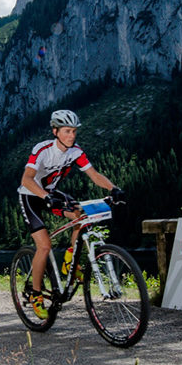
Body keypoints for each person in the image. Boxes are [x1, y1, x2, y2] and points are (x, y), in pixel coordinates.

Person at [17, 109, 125, 319]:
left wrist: (113, 189)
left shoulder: (75, 151)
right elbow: (27, 179)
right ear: (55, 131)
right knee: (45, 246)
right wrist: (44, 196)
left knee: (79, 216)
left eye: (74, 131)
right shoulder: (43, 149)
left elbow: (94, 176)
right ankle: (36, 295)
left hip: (51, 194)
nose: (72, 135)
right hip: (30, 196)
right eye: (67, 131)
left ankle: (69, 261)